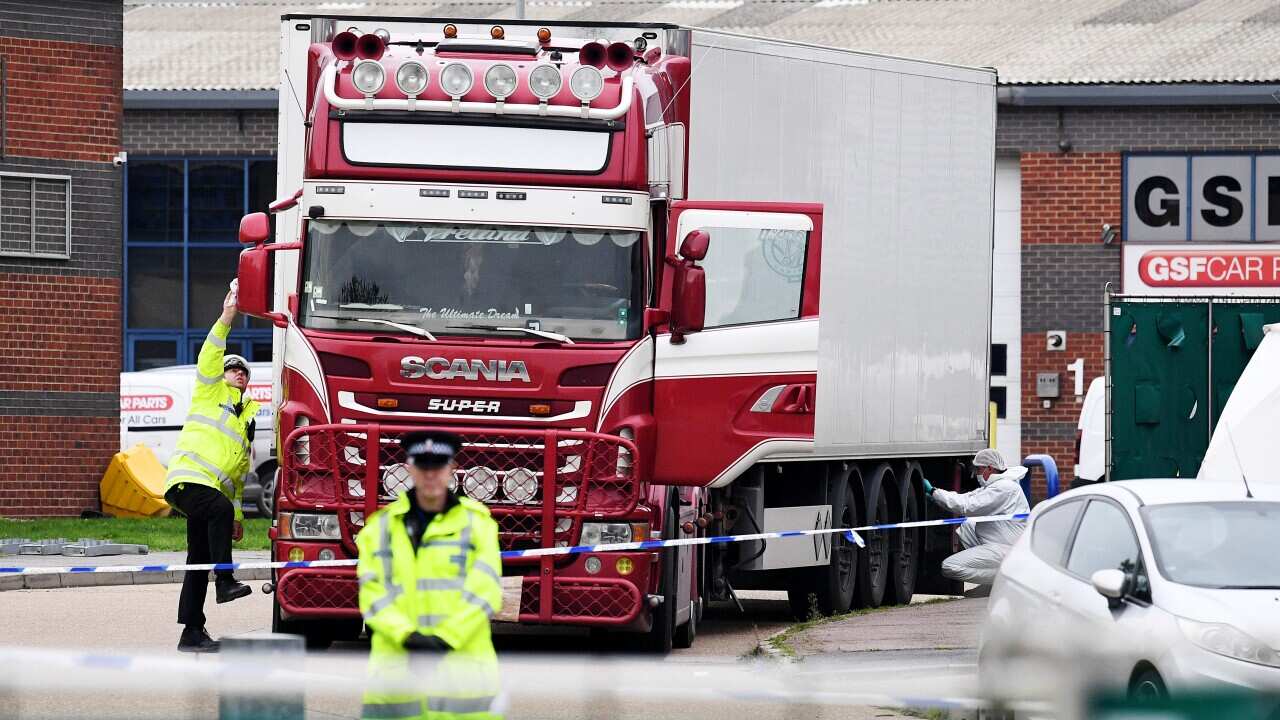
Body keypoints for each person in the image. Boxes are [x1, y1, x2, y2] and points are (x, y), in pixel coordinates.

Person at [357, 431, 504, 720]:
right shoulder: (379, 528)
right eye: (423, 466)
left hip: (461, 684)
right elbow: (373, 594)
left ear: (453, 468)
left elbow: (485, 590)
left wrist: (444, 639)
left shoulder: (478, 524)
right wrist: (407, 636)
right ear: (409, 468)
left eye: (438, 466)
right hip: (397, 682)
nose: (430, 475)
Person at [163, 289, 259, 653]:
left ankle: (192, 632)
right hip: (186, 481)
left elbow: (233, 481)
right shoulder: (208, 389)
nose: (240, 374)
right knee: (215, 511)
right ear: (222, 373)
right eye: (234, 369)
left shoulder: (243, 423)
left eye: (244, 372)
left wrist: (236, 517)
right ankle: (225, 579)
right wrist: (227, 317)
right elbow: (210, 353)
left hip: (209, 491)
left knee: (196, 560)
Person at [922, 448, 1029, 587]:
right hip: (1002, 541)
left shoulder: (1003, 488)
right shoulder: (997, 485)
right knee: (967, 526)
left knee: (949, 566)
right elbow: (966, 498)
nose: (976, 474)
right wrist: (936, 496)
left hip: (1006, 547)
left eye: (978, 470)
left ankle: (1003, 580)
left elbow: (967, 506)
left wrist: (933, 491)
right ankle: (996, 578)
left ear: (990, 468)